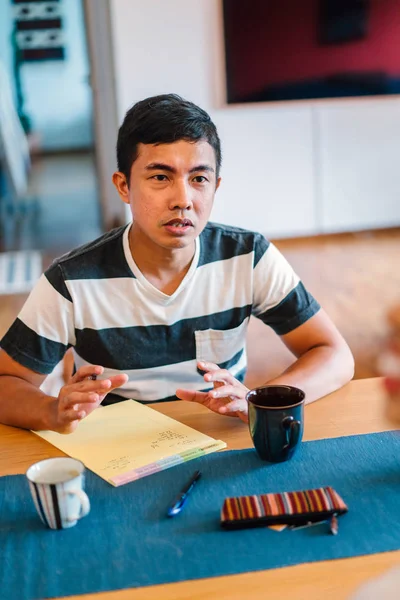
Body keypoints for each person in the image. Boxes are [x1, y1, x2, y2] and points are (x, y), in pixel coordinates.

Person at [0, 94, 354, 433]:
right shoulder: (71, 280)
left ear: (215, 185)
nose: (183, 199)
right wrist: (51, 409)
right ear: (124, 186)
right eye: (160, 177)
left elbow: (334, 355)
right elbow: (6, 384)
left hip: (220, 437)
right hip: (117, 449)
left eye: (199, 179)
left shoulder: (248, 257)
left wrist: (254, 400)